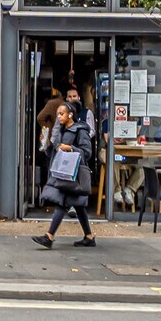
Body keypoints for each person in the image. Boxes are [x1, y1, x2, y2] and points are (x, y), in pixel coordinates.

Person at [32, 101, 95, 248]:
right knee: (78, 206)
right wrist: (46, 144)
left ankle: (49, 236)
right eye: (58, 114)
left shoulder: (80, 131)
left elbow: (87, 153)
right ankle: (89, 236)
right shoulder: (60, 130)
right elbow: (53, 151)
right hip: (62, 172)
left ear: (70, 114)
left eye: (62, 114)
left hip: (73, 174)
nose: (59, 117)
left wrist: (70, 148)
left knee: (62, 203)